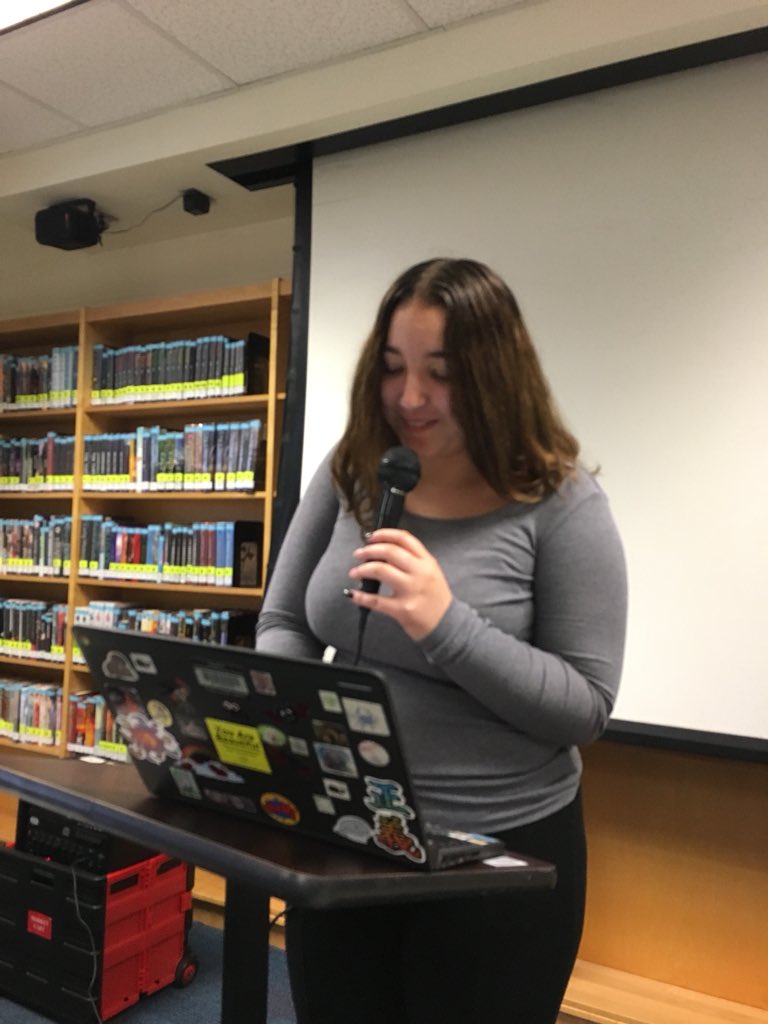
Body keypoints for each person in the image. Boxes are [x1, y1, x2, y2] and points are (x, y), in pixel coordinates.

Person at [256, 257, 627, 1024]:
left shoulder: (562, 503)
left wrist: (444, 621)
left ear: (496, 375)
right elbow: (284, 620)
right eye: (392, 369)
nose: (411, 397)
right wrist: (292, 721)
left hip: (498, 858)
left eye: (441, 373)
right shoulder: (354, 468)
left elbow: (585, 706)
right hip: (348, 829)